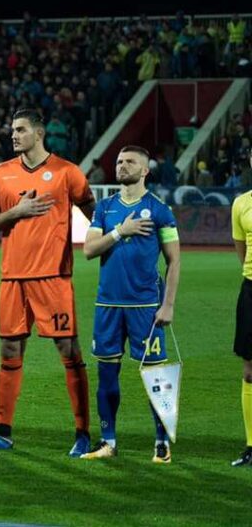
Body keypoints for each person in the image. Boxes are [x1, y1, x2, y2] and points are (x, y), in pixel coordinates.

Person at [0, 108, 96, 455]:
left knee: (69, 351)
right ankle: (1, 431)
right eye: (12, 130)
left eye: (21, 129)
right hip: (12, 277)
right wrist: (17, 212)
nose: (14, 135)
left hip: (53, 277)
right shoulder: (2, 172)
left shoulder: (67, 172)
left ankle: (83, 433)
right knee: (9, 351)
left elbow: (96, 214)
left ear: (39, 133)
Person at [80, 146, 181, 462]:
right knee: (106, 375)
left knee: (156, 377)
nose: (122, 166)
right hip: (108, 305)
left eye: (130, 162)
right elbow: (89, 250)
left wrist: (168, 305)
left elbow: (174, 260)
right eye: (119, 161)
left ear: (145, 170)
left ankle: (161, 443)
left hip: (145, 307)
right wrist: (120, 232)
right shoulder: (105, 207)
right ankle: (107, 441)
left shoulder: (159, 209)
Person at [230, 150, 252, 467]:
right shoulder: (241, 203)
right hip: (251, 290)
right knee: (249, 373)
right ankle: (251, 445)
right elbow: (242, 251)